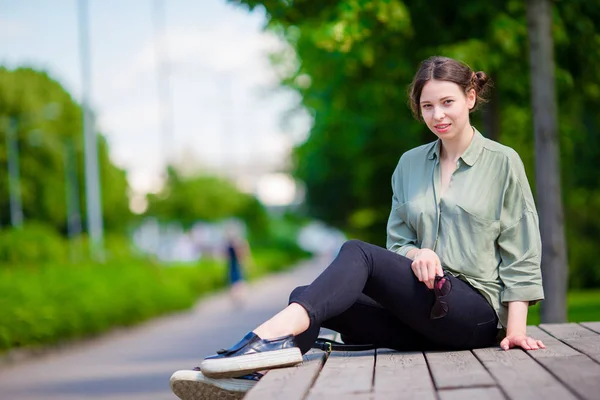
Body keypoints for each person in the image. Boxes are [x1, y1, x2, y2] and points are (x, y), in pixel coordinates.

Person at [170, 56, 546, 399]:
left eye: (446, 102)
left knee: (357, 252)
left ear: (470, 96)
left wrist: (514, 330)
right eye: (427, 106)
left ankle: (261, 341)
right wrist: (418, 253)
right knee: (311, 296)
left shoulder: (502, 162)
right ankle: (254, 373)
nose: (437, 115)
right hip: (420, 316)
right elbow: (398, 244)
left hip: (474, 316)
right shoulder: (410, 165)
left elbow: (521, 249)